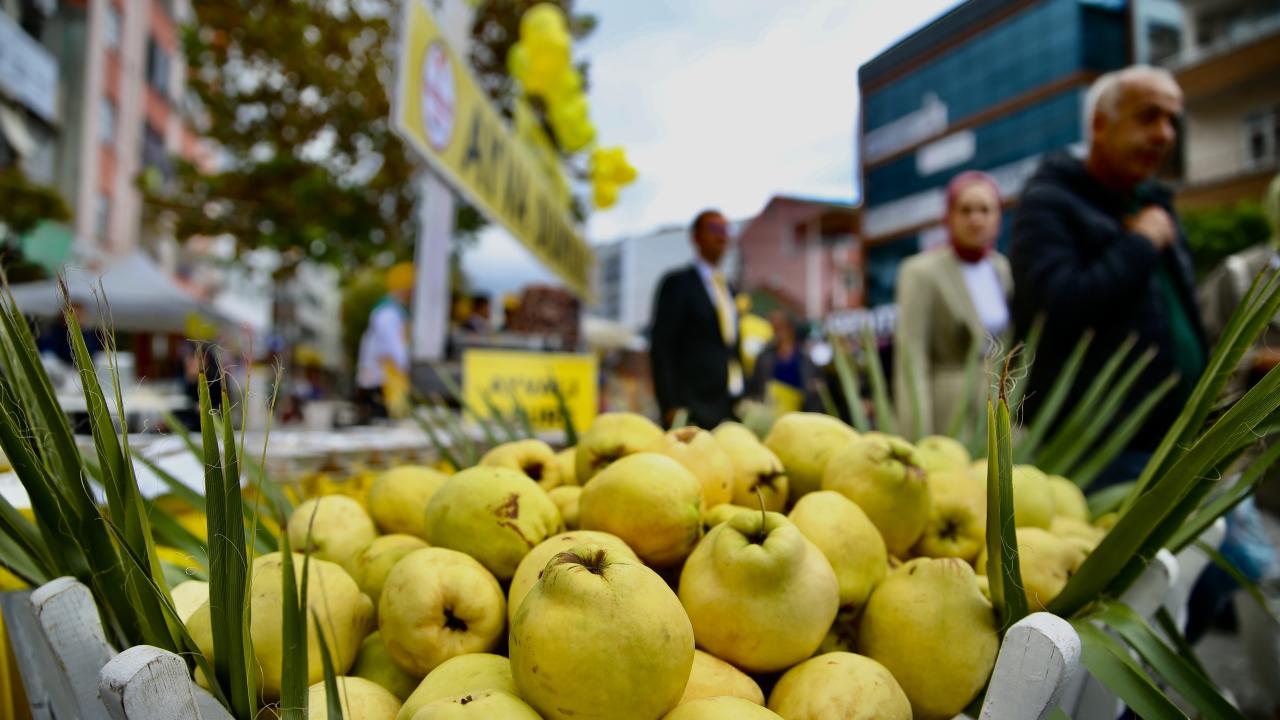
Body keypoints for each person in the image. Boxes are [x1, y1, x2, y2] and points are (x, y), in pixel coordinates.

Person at [1010, 65, 1206, 489]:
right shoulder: (1048, 203)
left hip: (1184, 432)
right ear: (1100, 124)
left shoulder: (1155, 202)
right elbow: (1056, 306)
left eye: (1173, 120)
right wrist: (1139, 246)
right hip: (1103, 450)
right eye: (1149, 116)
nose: (1165, 134)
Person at [894, 170, 1012, 436]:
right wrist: (916, 432)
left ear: (998, 218)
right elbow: (912, 358)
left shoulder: (1000, 268)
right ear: (949, 216)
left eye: (985, 209)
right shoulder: (921, 271)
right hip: (949, 413)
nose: (976, 219)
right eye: (965, 210)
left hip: (997, 408)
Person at [650, 209, 742, 429]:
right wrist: (670, 404)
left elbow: (730, 345)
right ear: (696, 237)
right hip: (691, 406)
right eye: (714, 229)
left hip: (726, 404)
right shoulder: (678, 284)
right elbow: (662, 347)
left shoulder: (728, 289)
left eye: (725, 230)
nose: (721, 236)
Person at [356, 262, 414, 422]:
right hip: (382, 381)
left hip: (382, 380)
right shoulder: (388, 312)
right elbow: (395, 349)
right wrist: (409, 368)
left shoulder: (390, 310)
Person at [749, 310, 819, 414]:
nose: (778, 332)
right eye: (775, 327)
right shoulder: (765, 355)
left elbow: (814, 385)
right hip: (771, 410)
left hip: (800, 411)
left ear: (790, 328)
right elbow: (755, 385)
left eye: (781, 327)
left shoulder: (805, 357)